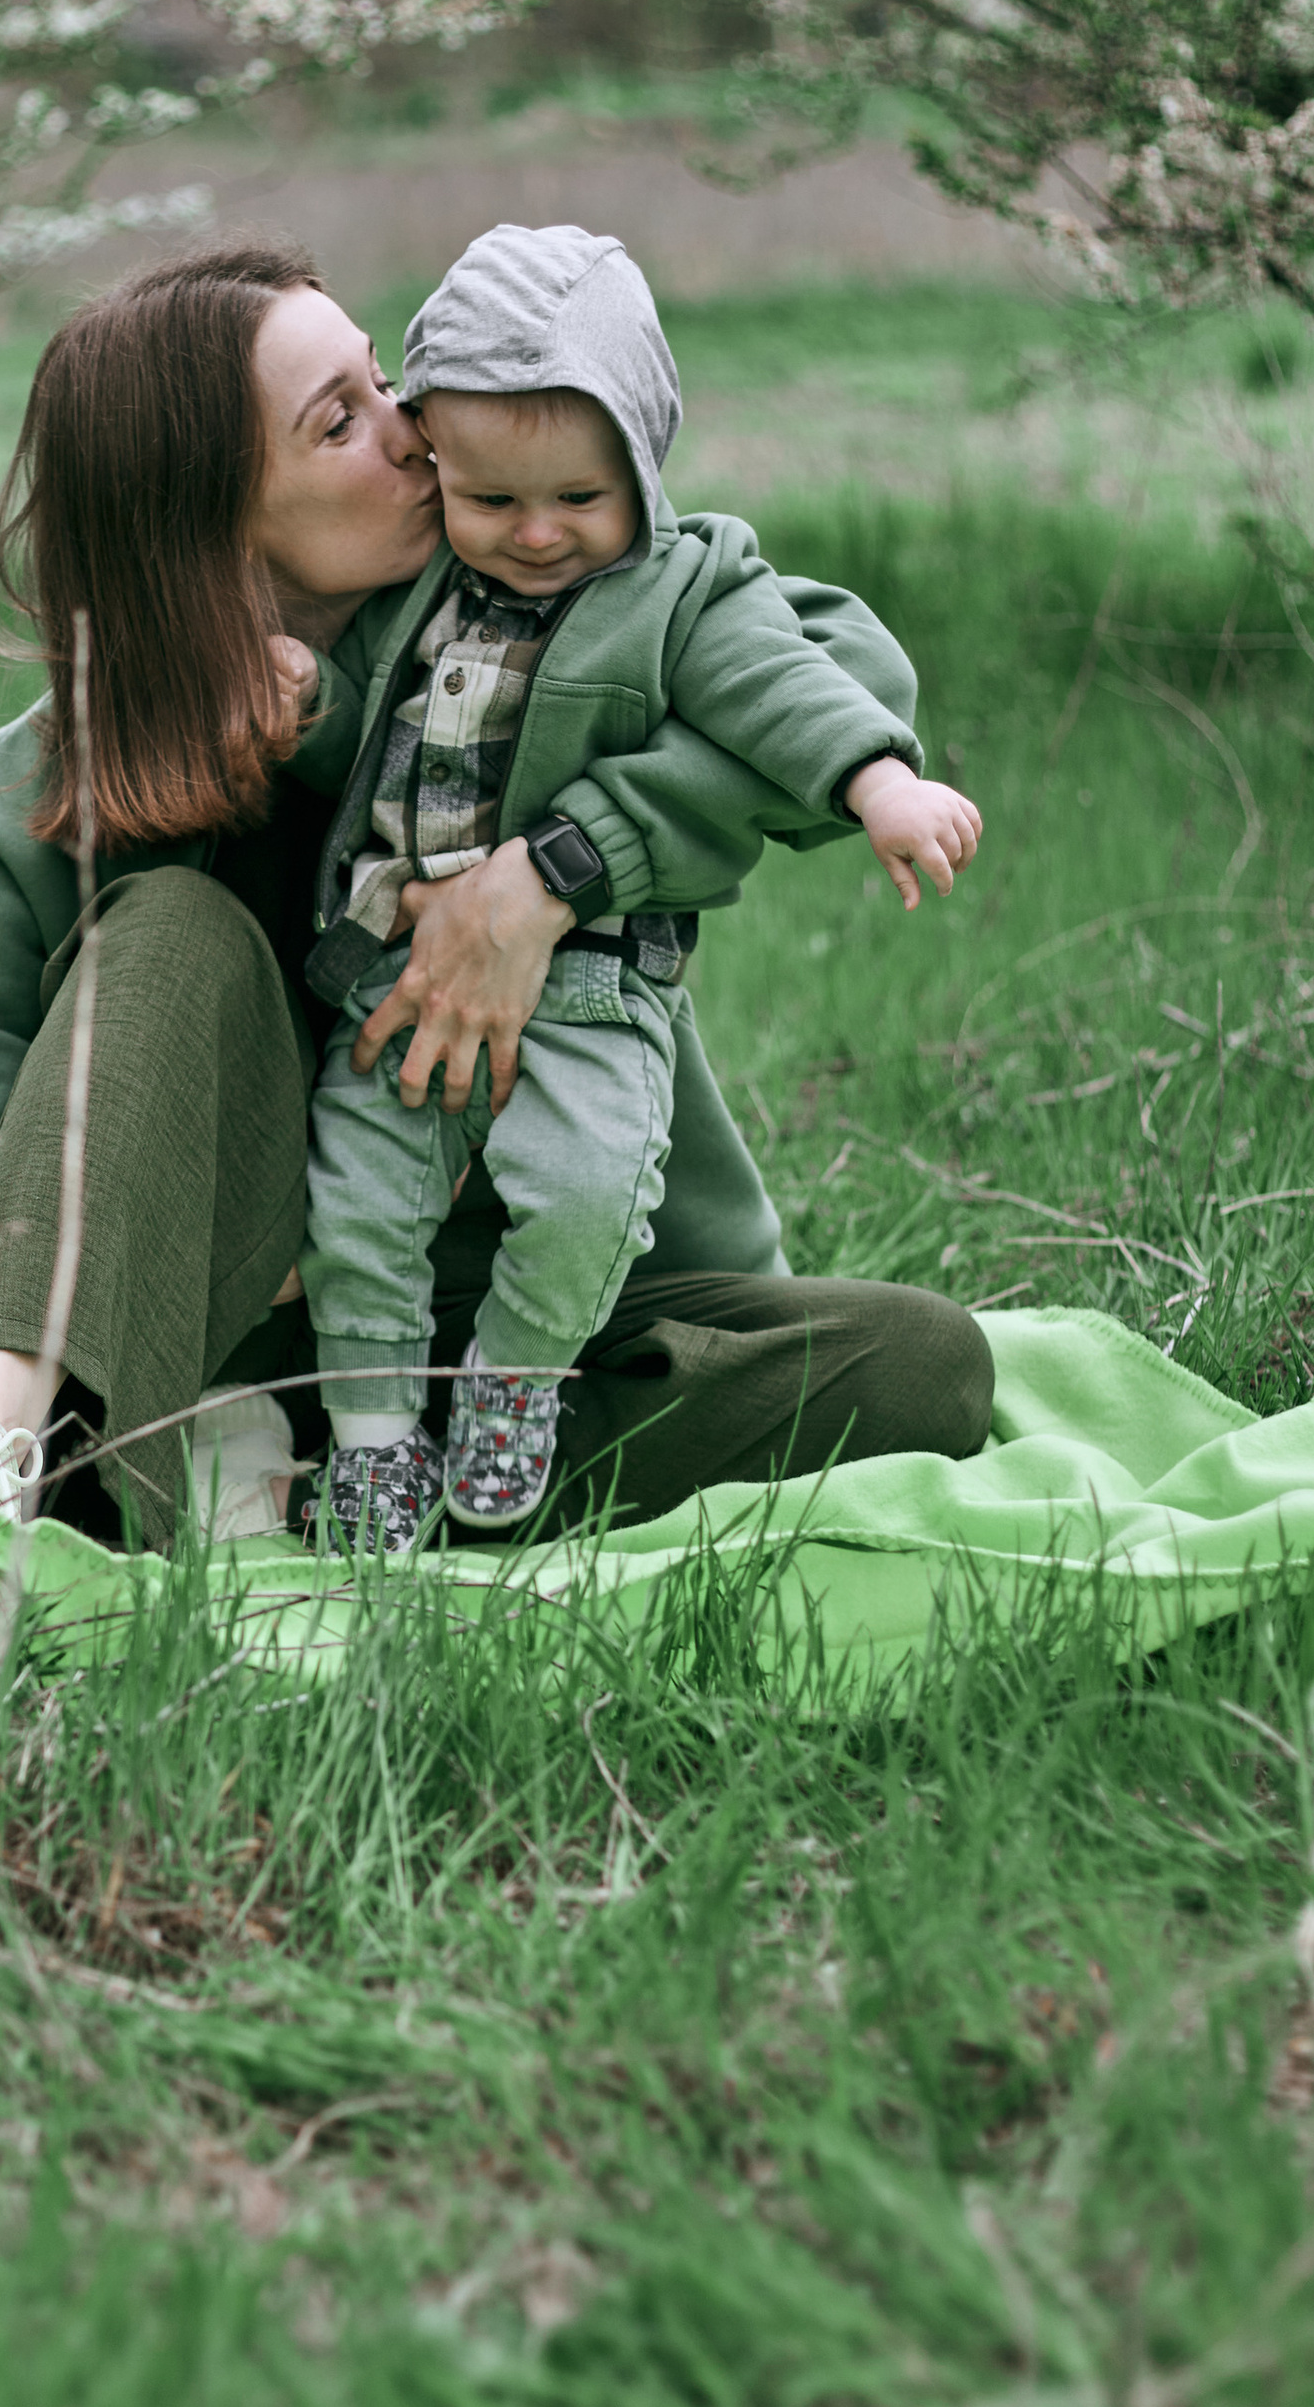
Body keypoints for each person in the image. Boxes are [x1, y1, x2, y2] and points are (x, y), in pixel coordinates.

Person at [0, 240, 994, 1552]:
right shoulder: (49, 784)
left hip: (529, 1313)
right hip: (219, 1308)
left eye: (384, 379)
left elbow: (845, 684)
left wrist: (553, 876)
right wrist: (262, 1267)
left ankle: (298, 1490)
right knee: (174, 937)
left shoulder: (550, 617)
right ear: (208, 514)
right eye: (343, 421)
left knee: (919, 1369)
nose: (416, 431)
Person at [294, 223, 983, 1549]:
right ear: (436, 456)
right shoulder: (413, 585)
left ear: (642, 465)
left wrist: (881, 785)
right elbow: (350, 734)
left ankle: (517, 1394)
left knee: (589, 1183)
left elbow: (789, 684)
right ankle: (374, 1444)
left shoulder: (677, 588)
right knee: (359, 1199)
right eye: (492, 502)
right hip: (383, 976)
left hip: (594, 988)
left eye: (580, 500)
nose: (538, 536)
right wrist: (295, 701)